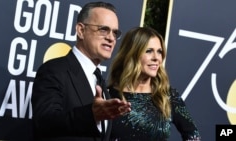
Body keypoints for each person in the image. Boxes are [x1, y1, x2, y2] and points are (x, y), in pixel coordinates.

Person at [31, 2, 131, 141]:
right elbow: (45, 121)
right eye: (103, 29)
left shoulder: (100, 81)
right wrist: (92, 114)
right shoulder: (54, 70)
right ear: (81, 30)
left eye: (115, 32)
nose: (111, 38)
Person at [107, 27, 201, 141]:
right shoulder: (109, 96)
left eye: (159, 52)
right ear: (132, 53)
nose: (156, 58)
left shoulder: (168, 96)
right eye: (149, 51)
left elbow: (193, 135)